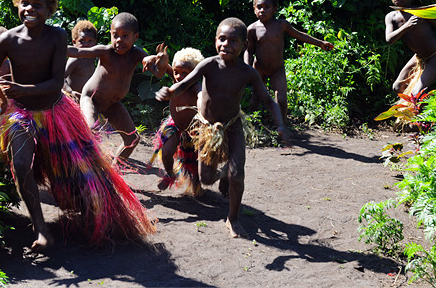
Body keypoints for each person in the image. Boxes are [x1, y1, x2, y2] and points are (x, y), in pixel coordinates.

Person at [0, 0, 155, 250]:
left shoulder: (57, 37)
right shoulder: (9, 40)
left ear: (50, 9)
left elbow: (54, 83)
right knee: (21, 165)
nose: (29, 9)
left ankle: (97, 212)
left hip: (56, 112)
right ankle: (41, 228)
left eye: (37, 5)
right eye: (24, 4)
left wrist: (21, 89)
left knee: (79, 168)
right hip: (21, 115)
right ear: (16, 5)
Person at [156, 18, 285, 238]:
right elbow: (186, 82)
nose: (226, 44)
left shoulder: (248, 72)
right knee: (206, 178)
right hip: (206, 129)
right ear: (216, 40)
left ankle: (233, 219)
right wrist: (171, 91)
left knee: (238, 174)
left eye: (233, 41)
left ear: (244, 46)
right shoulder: (209, 65)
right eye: (222, 39)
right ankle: (222, 173)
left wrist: (281, 124)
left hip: (232, 126)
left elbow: (267, 98)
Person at [67, 12, 164, 163]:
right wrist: (53, 45)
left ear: (135, 37)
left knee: (132, 139)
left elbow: (158, 73)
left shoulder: (138, 54)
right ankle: (79, 164)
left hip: (111, 104)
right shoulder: (105, 51)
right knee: (92, 129)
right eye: (115, 35)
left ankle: (112, 172)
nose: (119, 40)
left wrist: (161, 63)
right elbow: (78, 51)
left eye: (125, 36)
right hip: (91, 98)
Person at [244, 0, 333, 129]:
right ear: (254, 9)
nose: (262, 10)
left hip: (277, 69)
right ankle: (249, 126)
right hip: (259, 69)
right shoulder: (252, 29)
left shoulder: (281, 25)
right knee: (256, 97)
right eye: (259, 7)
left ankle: (282, 126)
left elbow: (300, 35)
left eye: (267, 7)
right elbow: (249, 50)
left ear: (275, 9)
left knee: (282, 100)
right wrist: (246, 67)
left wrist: (320, 43)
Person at [150, 46, 204, 195]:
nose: (179, 77)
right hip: (175, 125)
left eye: (184, 73)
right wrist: (158, 60)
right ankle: (169, 174)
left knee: (196, 162)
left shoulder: (195, 86)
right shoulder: (176, 78)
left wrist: (201, 104)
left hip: (194, 130)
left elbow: (200, 96)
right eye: (176, 72)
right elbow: (165, 67)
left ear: (195, 74)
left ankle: (197, 184)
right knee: (167, 152)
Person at [63, 20, 97, 101]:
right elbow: (61, 77)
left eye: (90, 41)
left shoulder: (93, 57)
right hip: (73, 98)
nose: (86, 44)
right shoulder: (76, 58)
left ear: (95, 42)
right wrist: (70, 92)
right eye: (81, 41)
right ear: (74, 42)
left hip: (86, 99)